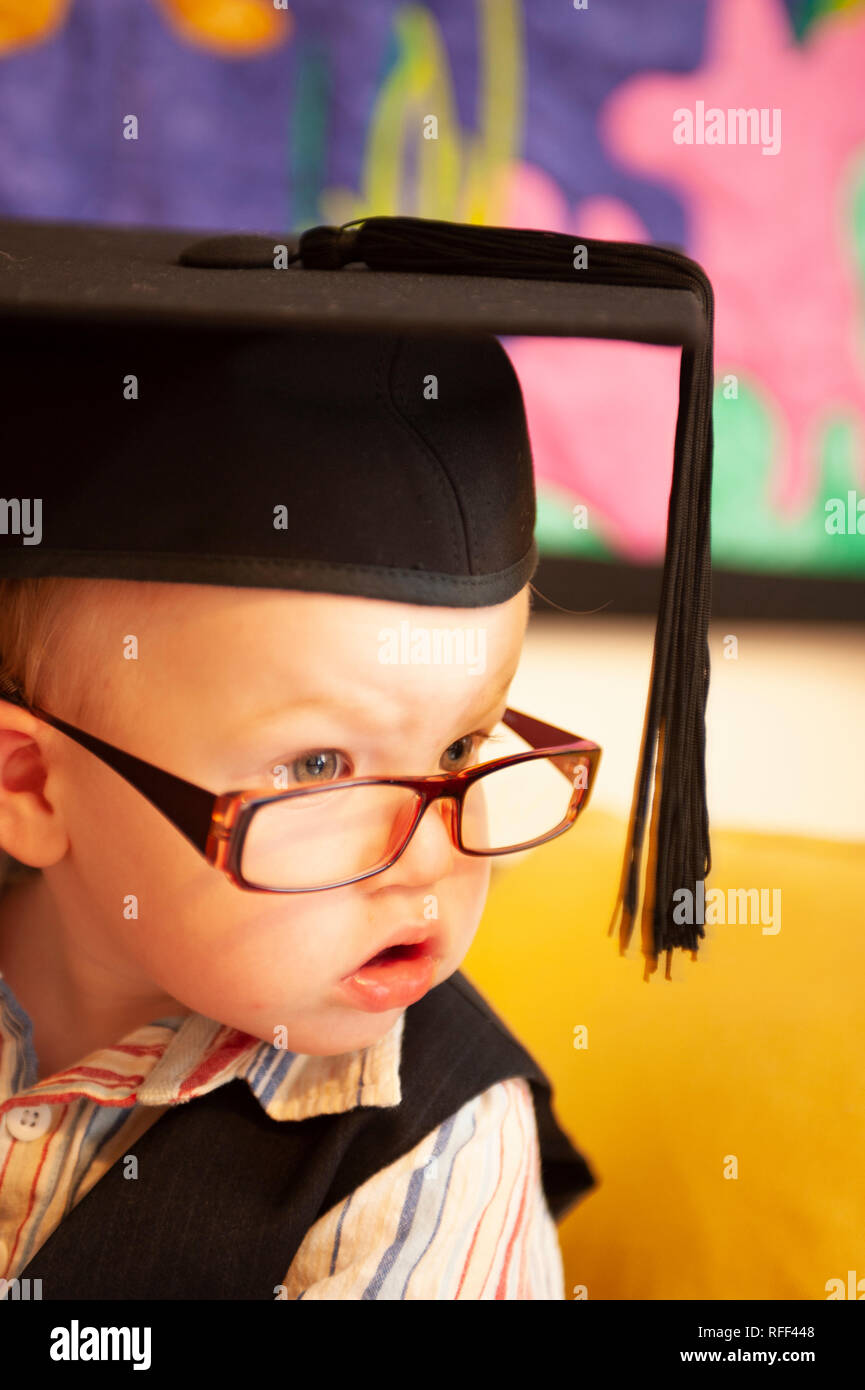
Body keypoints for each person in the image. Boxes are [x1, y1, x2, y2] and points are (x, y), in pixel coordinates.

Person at [0, 213, 713, 1300]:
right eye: (321, 766)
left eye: (465, 742)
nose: (428, 855)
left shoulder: (435, 1158)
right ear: (29, 783)